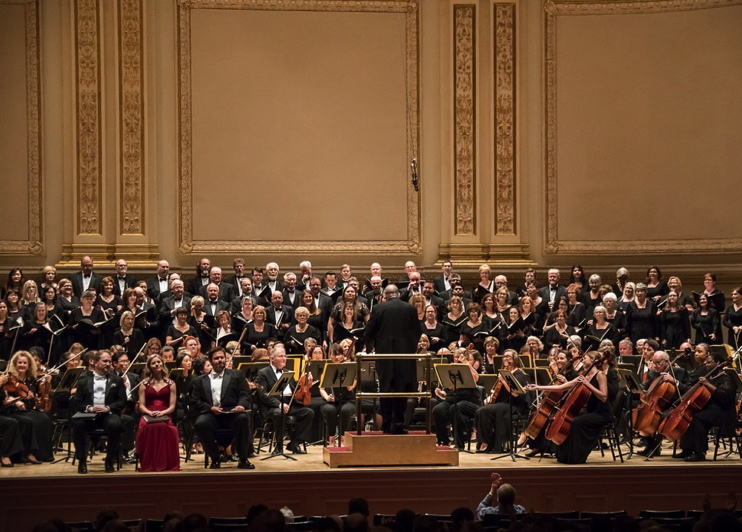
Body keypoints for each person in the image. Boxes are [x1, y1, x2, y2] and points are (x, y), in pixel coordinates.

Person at [526, 350, 612, 464]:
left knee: (576, 422)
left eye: (585, 358)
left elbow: (604, 397)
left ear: (592, 360)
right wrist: (537, 387)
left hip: (602, 413)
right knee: (570, 421)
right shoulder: (583, 375)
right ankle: (564, 456)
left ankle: (576, 457)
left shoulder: (600, 375)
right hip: (590, 411)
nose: (582, 360)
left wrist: (588, 384)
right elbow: (561, 388)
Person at [364, 285, 421, 435]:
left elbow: (369, 331)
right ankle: (398, 424)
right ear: (398, 293)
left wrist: (371, 349)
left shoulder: (378, 308)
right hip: (405, 357)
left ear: (386, 295)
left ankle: (387, 424)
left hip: (385, 356)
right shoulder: (410, 308)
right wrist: (411, 349)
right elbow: (417, 332)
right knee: (401, 390)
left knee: (386, 389)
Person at [190, 346, 254, 469]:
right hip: (211, 414)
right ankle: (215, 457)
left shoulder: (237, 375)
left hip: (232, 413)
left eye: (222, 357)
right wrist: (210, 408)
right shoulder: (200, 380)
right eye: (216, 358)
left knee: (243, 419)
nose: (220, 360)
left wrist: (241, 405)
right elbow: (195, 401)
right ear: (210, 361)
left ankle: (243, 459)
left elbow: (245, 394)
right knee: (200, 424)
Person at [676, 350, 737, 462]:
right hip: (712, 409)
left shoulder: (726, 378)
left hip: (724, 412)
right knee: (689, 414)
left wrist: (707, 385)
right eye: (706, 363)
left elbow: (725, 397)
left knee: (697, 419)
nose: (707, 365)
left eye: (709, 362)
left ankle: (700, 453)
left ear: (718, 363)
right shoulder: (710, 377)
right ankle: (687, 449)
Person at [71, 350, 126, 473]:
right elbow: (77, 403)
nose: (108, 364)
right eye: (105, 361)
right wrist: (89, 408)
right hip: (89, 415)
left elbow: (122, 401)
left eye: (109, 362)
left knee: (115, 425)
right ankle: (82, 461)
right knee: (78, 425)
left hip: (108, 414)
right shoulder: (83, 381)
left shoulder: (117, 380)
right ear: (95, 362)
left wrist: (108, 408)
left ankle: (110, 460)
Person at [255, 343, 314, 454]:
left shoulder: (287, 372)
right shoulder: (263, 373)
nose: (284, 358)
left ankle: (294, 443)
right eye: (281, 356)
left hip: (289, 404)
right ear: (272, 358)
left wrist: (306, 381)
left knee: (308, 412)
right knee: (279, 412)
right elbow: (263, 395)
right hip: (272, 407)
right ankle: (278, 446)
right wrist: (278, 404)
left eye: (285, 356)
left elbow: (295, 389)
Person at [1, 351, 54, 463]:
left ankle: (44, 454)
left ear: (29, 365)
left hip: (28, 409)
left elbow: (37, 397)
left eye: (25, 363)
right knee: (30, 421)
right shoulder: (9, 378)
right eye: (19, 362)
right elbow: (5, 396)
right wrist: (16, 402)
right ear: (15, 364)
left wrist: (45, 384)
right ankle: (26, 453)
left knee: (44, 418)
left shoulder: (30, 379)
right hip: (13, 410)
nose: (22, 365)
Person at [474, 350, 531, 454]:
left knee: (484, 411)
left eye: (509, 356)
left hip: (514, 406)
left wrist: (504, 381)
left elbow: (515, 394)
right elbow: (498, 391)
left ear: (515, 359)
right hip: (503, 404)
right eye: (504, 356)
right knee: (480, 411)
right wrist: (490, 398)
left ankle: (487, 443)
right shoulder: (504, 372)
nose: (506, 359)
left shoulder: (519, 374)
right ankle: (489, 441)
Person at [136, 354, 180, 472]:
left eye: (159, 362)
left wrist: (163, 413)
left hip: (165, 414)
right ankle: (149, 462)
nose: (157, 365)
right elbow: (141, 405)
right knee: (148, 428)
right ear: (149, 367)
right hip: (148, 415)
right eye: (153, 363)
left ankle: (165, 463)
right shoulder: (144, 384)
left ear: (162, 364)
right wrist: (150, 413)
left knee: (166, 427)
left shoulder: (171, 384)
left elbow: (172, 406)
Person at [432, 348, 481, 448]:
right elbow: (450, 393)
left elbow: (476, 378)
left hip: (470, 401)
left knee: (455, 408)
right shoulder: (452, 370)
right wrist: (442, 394)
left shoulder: (469, 369)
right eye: (456, 357)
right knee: (438, 410)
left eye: (461, 357)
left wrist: (466, 363)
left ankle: (459, 443)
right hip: (453, 400)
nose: (458, 359)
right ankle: (443, 441)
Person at [320, 343, 355, 446]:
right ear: (330, 355)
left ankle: (343, 439)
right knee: (330, 410)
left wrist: (348, 371)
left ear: (343, 355)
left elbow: (350, 387)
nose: (337, 357)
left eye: (339, 354)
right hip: (331, 402)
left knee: (345, 410)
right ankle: (331, 440)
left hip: (348, 400)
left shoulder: (350, 368)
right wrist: (327, 397)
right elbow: (322, 389)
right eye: (334, 354)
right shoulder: (327, 369)